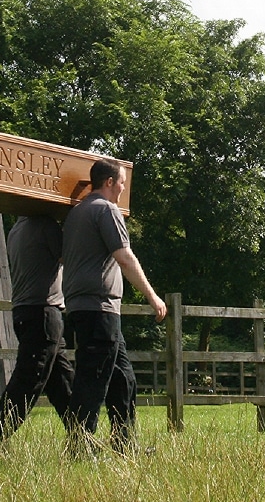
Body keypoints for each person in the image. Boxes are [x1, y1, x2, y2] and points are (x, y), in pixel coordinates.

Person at [61, 158, 166, 457]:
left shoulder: (76, 213)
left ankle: (124, 444)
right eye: (121, 182)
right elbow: (124, 257)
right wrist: (152, 296)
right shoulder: (106, 210)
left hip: (84, 306)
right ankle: (80, 447)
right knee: (92, 379)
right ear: (109, 182)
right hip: (99, 308)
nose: (123, 188)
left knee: (123, 378)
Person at [0, 213, 75, 443]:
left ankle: (82, 437)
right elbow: (71, 257)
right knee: (29, 378)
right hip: (43, 313)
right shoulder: (45, 225)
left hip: (25, 311)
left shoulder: (17, 228)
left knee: (62, 381)